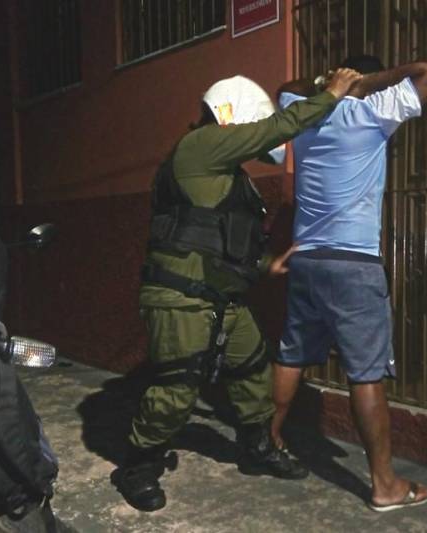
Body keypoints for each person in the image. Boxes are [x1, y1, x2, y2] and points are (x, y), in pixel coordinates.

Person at [113, 68, 362, 512]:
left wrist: (268, 264)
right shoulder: (199, 146)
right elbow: (278, 128)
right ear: (233, 114)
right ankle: (137, 464)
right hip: (181, 297)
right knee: (177, 388)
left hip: (222, 298)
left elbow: (224, 239)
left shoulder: (229, 174)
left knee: (251, 369)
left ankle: (256, 447)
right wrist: (330, 94)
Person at [271, 55, 427, 512]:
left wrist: (328, 85)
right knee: (366, 371)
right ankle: (385, 484)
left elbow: (282, 89)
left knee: (292, 355)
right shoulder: (372, 112)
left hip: (306, 261)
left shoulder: (306, 116)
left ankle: (268, 442)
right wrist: (367, 84)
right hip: (353, 264)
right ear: (364, 83)